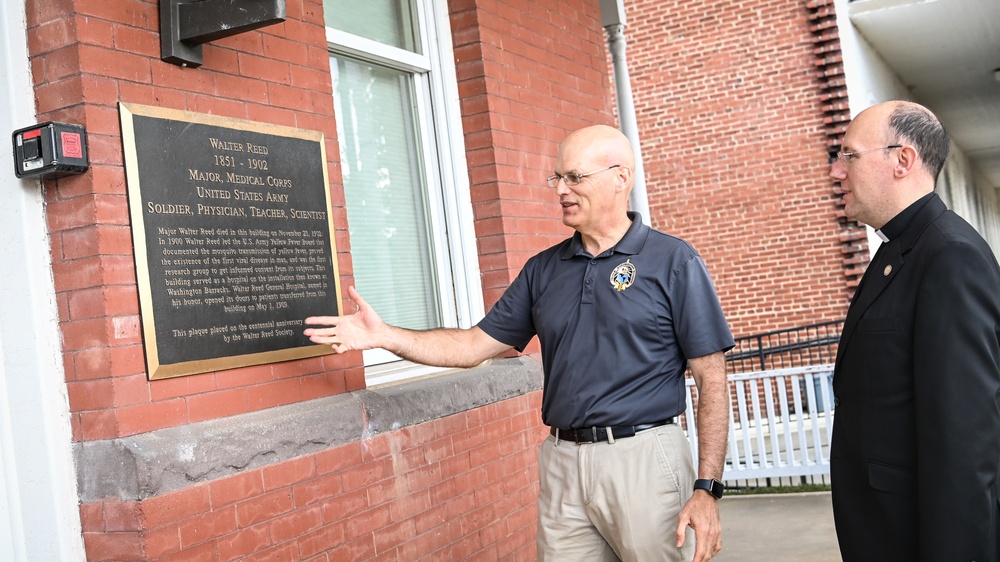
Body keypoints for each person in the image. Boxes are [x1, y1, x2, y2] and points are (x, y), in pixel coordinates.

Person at [305, 124, 734, 562]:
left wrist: (708, 488)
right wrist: (385, 336)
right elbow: (474, 345)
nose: (561, 190)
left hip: (644, 457)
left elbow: (711, 378)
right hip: (563, 462)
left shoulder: (673, 261)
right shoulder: (543, 270)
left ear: (621, 177)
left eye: (575, 177)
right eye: (557, 178)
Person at [829, 100, 1000, 561]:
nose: (835, 172)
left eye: (849, 155)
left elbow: (964, 445)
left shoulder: (950, 256)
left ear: (902, 160)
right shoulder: (898, 251)